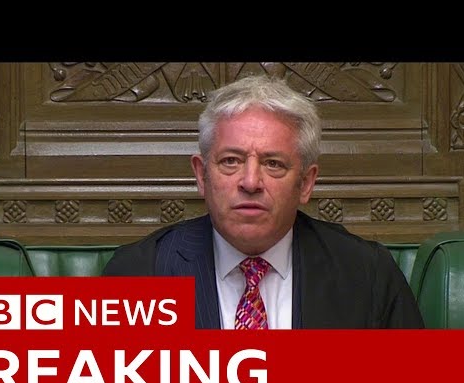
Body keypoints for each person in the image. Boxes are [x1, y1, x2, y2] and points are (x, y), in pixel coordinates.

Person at [102, 74, 425, 329]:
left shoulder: (367, 274)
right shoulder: (138, 274)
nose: (251, 182)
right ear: (201, 175)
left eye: (273, 164)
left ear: (306, 183)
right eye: (230, 161)